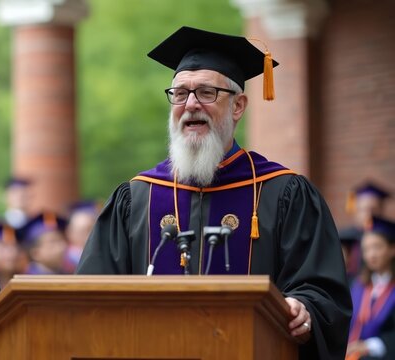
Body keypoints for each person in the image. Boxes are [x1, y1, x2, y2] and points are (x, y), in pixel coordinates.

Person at [76, 26, 351, 359]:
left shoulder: (282, 192)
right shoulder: (136, 199)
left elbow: (321, 290)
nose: (191, 104)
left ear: (238, 106)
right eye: (179, 94)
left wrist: (305, 308)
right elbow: (89, 297)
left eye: (206, 92)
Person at [347, 216, 395, 360]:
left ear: (393, 249)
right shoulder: (355, 284)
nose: (371, 255)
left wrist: (368, 346)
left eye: (377, 247)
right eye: (366, 249)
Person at [342, 182, 391, 279]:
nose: (369, 214)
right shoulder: (343, 238)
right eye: (364, 209)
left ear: (381, 210)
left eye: (373, 209)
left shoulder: (389, 236)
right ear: (356, 210)